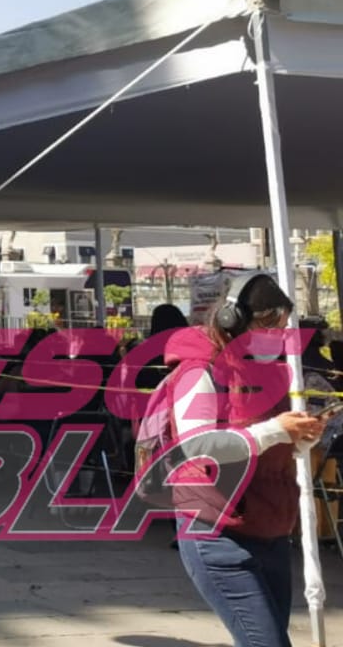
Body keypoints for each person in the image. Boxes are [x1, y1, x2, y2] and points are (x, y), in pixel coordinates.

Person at [167, 273, 322, 647]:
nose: (277, 336)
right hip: (216, 532)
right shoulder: (198, 370)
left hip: (270, 527)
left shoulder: (272, 372)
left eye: (282, 328)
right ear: (233, 321)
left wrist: (301, 439)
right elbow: (197, 445)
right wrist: (275, 431)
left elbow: (272, 443)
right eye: (268, 326)